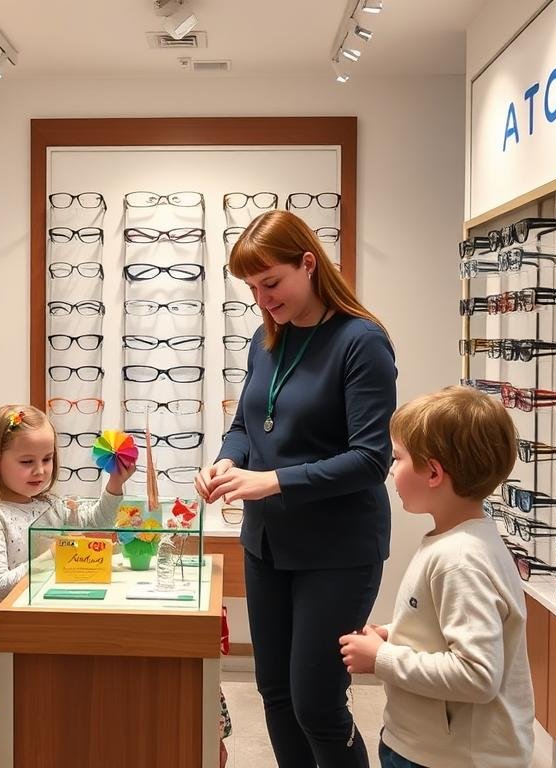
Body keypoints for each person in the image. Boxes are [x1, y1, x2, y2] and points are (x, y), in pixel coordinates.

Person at [195, 209, 397, 768]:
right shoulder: (269, 339)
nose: (262, 299)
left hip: (336, 551)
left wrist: (271, 480)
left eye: (271, 283)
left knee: (318, 705)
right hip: (268, 546)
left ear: (308, 264)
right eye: (253, 289)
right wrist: (223, 462)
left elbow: (370, 458)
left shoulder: (362, 342)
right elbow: (244, 426)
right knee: (276, 696)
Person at [339, 386, 535, 768]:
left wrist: (383, 658)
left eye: (397, 458)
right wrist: (394, 633)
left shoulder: (460, 560)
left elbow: (477, 674)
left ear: (433, 472)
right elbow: (442, 625)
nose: (392, 469)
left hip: (448, 757)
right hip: (425, 746)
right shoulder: (463, 540)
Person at [0, 404, 135, 767]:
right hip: (12, 654)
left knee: (49, 738)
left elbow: (95, 521)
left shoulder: (51, 505)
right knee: (13, 747)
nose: (40, 471)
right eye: (26, 461)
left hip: (52, 641)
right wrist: (55, 556)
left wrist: (115, 483)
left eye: (47, 459)